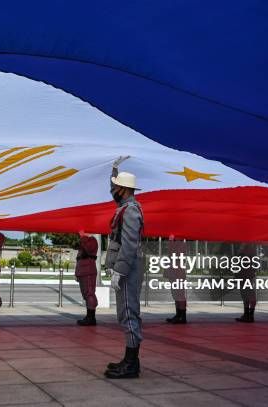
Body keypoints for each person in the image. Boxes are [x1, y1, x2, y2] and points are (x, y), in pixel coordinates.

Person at [104, 156, 144, 379]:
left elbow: (129, 244)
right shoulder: (125, 205)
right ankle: (130, 359)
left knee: (128, 313)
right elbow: (113, 192)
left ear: (124, 189)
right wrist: (114, 168)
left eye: (117, 186)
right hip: (127, 266)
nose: (114, 189)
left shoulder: (131, 211)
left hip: (128, 267)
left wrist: (120, 270)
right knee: (125, 313)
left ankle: (131, 364)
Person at [75, 231, 99, 326]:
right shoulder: (84, 241)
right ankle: (89, 316)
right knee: (86, 294)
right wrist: (77, 273)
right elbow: (79, 258)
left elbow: (88, 249)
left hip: (88, 270)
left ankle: (91, 318)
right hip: (83, 271)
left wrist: (84, 237)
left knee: (89, 294)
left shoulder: (92, 240)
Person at [164, 235, 188, 324]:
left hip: (178, 272)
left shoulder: (181, 244)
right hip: (174, 272)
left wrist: (171, 242)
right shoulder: (176, 243)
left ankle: (182, 316)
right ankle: (178, 315)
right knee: (176, 294)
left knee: (180, 295)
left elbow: (172, 253)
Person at [235, 243, 257, 323]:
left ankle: (248, 315)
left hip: (244, 277)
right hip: (248, 277)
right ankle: (248, 315)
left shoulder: (244, 254)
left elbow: (239, 267)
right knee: (248, 295)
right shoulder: (252, 254)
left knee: (247, 295)